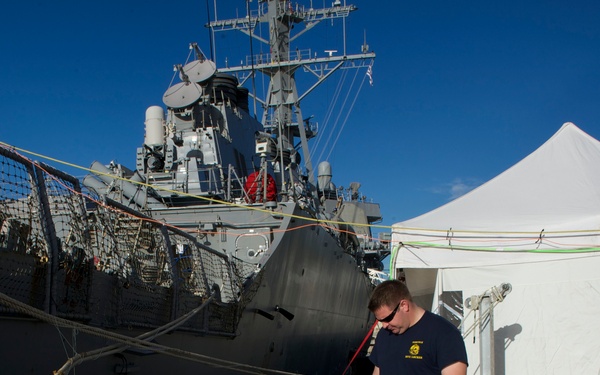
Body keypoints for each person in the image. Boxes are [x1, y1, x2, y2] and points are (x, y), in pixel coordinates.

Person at [368, 280, 468, 375]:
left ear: (404, 305)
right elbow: (378, 371)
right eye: (380, 321)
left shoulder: (444, 333)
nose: (384, 325)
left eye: (388, 318)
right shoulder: (384, 334)